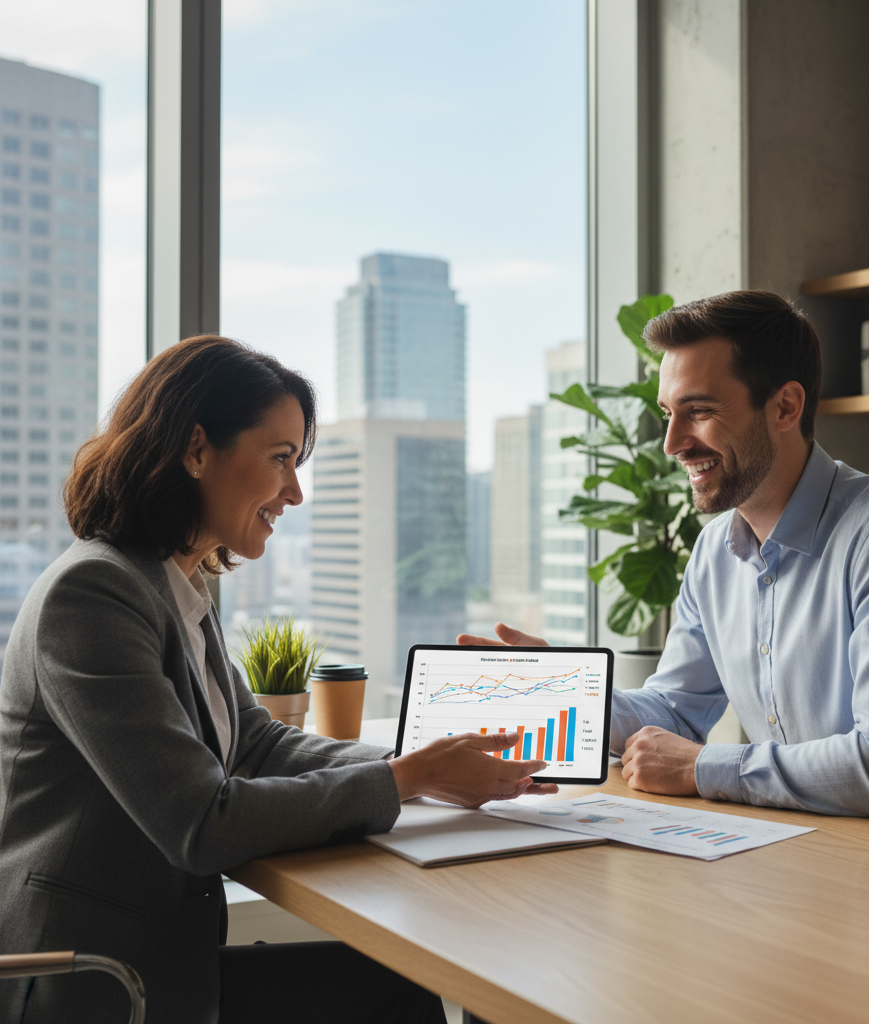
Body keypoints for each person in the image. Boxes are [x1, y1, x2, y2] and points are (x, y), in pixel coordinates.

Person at [0, 335, 555, 1024]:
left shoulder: (172, 585)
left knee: (399, 981)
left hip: (160, 961)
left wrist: (416, 766)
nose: (295, 491)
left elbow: (255, 744)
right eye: (281, 458)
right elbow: (202, 823)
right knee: (394, 992)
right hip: (95, 984)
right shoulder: (93, 594)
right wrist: (405, 781)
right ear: (196, 449)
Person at [460, 290, 869, 828]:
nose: (672, 443)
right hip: (808, 855)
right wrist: (571, 696)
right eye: (669, 413)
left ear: (785, 406)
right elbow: (674, 708)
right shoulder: (715, 552)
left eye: (699, 412)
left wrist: (701, 768)